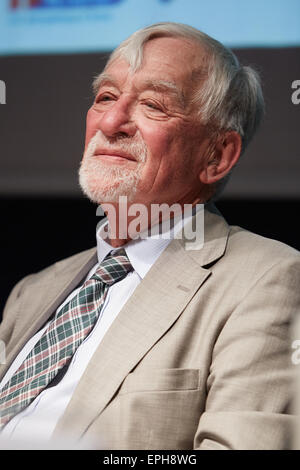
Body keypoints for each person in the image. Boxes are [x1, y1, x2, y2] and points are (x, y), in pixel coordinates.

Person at [0, 22, 299, 450]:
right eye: (105, 97)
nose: (112, 120)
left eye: (154, 105)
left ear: (217, 155)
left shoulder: (268, 280)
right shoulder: (32, 291)